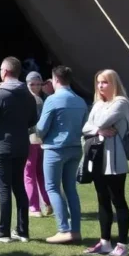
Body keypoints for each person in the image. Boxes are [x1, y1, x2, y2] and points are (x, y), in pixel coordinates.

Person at [0, 57, 37, 243]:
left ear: (4, 72)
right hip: (22, 144)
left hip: (3, 145)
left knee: (4, 187)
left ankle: (3, 230)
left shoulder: (0, 94)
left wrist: (0, 124)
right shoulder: (28, 94)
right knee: (19, 185)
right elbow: (33, 120)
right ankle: (22, 230)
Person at [82, 69, 129, 256]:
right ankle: (105, 242)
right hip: (98, 157)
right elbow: (85, 127)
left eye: (104, 82)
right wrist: (98, 130)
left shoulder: (121, 102)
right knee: (102, 200)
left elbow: (103, 120)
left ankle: (122, 244)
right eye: (98, 82)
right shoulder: (98, 103)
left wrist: (96, 126)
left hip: (115, 160)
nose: (100, 86)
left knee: (118, 200)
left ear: (114, 83)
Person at [36, 65, 88, 244]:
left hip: (55, 149)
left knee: (52, 188)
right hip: (75, 148)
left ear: (55, 79)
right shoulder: (80, 101)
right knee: (71, 189)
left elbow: (41, 128)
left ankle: (63, 229)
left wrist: (38, 135)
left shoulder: (52, 100)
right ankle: (75, 230)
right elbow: (84, 125)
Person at [24, 72, 51, 218]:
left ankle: (34, 206)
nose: (35, 87)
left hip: (32, 139)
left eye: (37, 84)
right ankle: (47, 202)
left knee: (29, 173)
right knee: (40, 173)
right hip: (42, 140)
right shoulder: (43, 99)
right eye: (32, 84)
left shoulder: (32, 100)